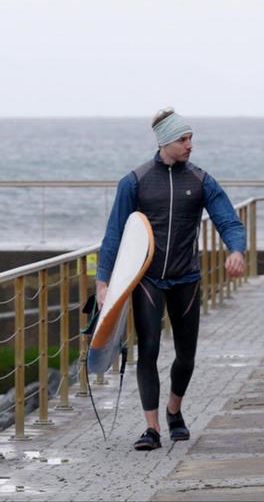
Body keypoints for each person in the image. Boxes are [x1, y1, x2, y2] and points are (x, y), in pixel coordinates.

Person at [95, 108, 248, 451]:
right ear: (165, 141)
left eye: (191, 137)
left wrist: (236, 250)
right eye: (183, 139)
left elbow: (229, 221)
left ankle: (174, 411)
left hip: (187, 278)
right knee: (147, 350)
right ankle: (152, 429)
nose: (190, 145)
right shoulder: (134, 181)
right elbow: (114, 235)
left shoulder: (200, 180)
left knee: (186, 356)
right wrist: (102, 282)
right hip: (148, 279)